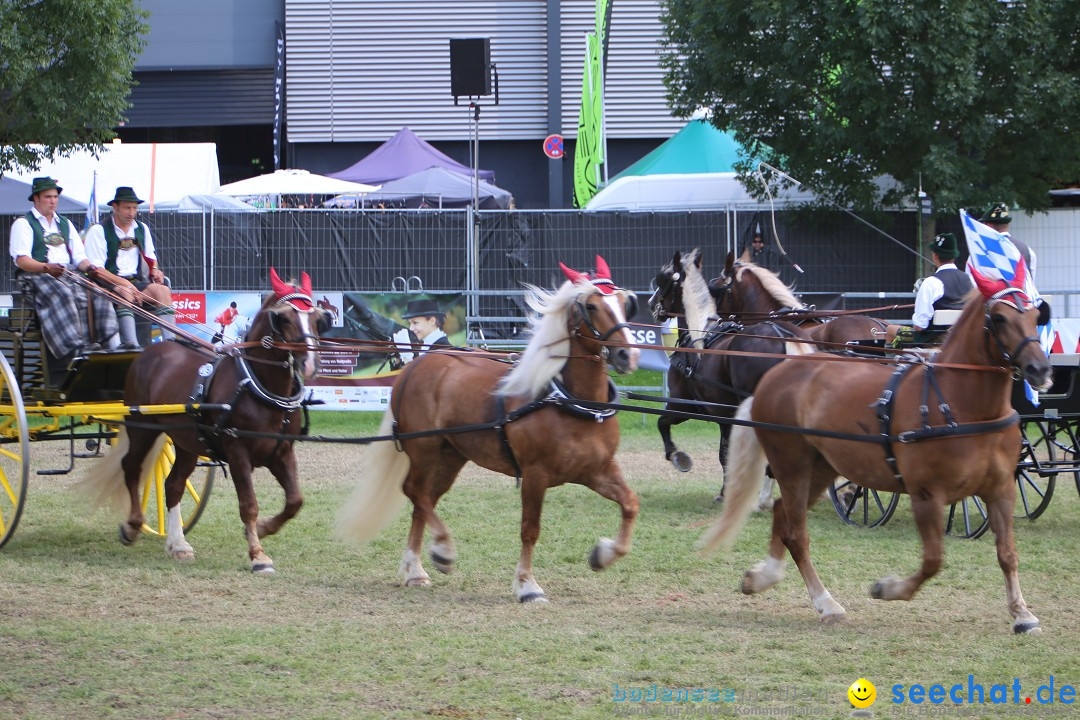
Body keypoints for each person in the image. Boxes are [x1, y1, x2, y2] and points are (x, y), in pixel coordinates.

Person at [8, 176, 119, 358]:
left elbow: (79, 258)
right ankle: (74, 349)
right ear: (36, 198)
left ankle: (111, 342)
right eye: (47, 197)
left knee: (99, 291)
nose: (53, 201)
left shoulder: (65, 224)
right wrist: (46, 267)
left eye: (55, 197)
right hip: (35, 276)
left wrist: (90, 267)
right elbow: (22, 260)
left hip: (68, 273)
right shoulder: (24, 224)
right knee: (63, 293)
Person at [83, 187, 176, 348]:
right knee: (126, 292)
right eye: (127, 207)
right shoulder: (99, 231)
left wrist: (155, 270)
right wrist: (126, 284)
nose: (131, 212)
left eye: (134, 208)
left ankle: (171, 342)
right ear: (115, 207)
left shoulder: (141, 229)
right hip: (108, 283)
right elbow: (97, 270)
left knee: (163, 291)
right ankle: (132, 344)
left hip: (136, 282)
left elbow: (150, 257)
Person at [889, 233, 974, 346]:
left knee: (890, 330)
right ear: (954, 255)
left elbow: (920, 326)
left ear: (935, 256)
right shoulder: (970, 280)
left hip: (933, 341)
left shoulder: (931, 283)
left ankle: (893, 363)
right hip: (964, 339)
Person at [981, 202, 1036, 279]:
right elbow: (1031, 283)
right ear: (1007, 224)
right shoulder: (1027, 250)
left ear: (988, 225)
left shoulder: (980, 250)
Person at [394, 298, 452, 364]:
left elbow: (418, 374)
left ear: (432, 321)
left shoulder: (443, 350)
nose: (411, 328)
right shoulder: (427, 346)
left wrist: (406, 355)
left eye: (415, 323)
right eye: (410, 323)